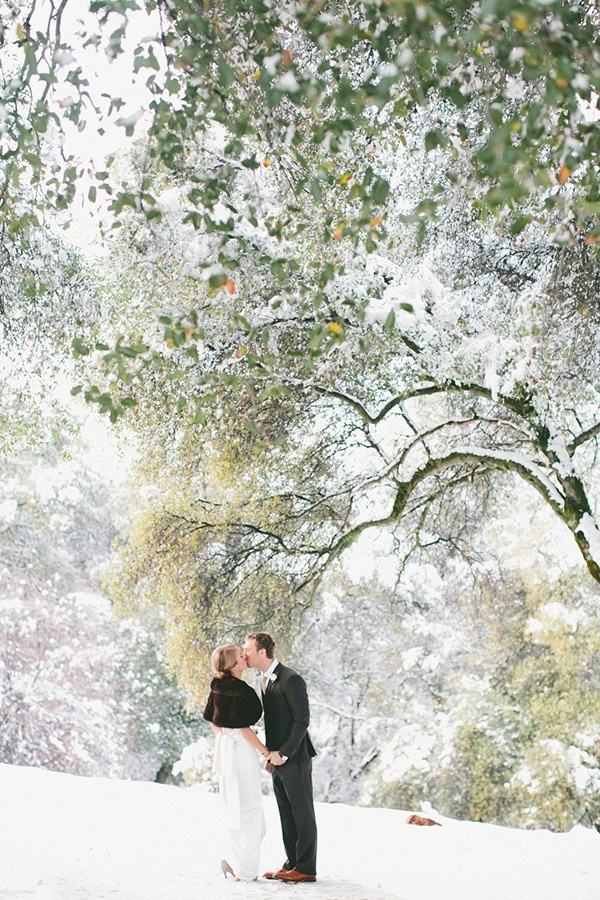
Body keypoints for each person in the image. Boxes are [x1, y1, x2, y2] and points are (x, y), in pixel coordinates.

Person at [243, 631, 318, 884]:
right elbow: (276, 723)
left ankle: (306, 868)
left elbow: (302, 721)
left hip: (295, 757)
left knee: (302, 812)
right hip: (277, 759)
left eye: (248, 649)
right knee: (286, 812)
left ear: (262, 652)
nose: (245, 654)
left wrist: (284, 753)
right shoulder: (264, 679)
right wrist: (271, 756)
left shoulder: (291, 679)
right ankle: (292, 863)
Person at [203, 645, 269, 882]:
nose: (245, 657)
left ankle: (232, 860)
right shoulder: (240, 691)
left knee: (234, 806)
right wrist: (266, 752)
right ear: (232, 664)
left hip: (225, 752)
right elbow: (244, 730)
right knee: (249, 808)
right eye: (241, 656)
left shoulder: (217, 687)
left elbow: (214, 722)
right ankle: (245, 870)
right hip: (240, 754)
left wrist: (225, 736)